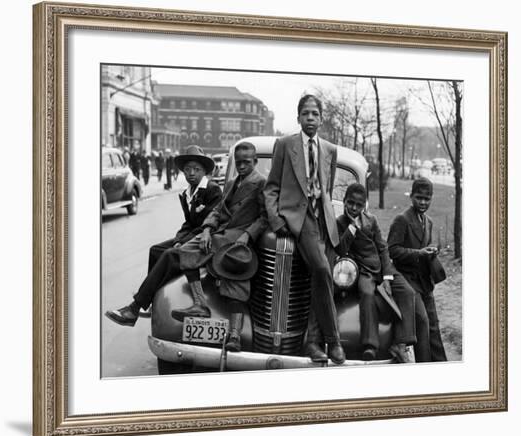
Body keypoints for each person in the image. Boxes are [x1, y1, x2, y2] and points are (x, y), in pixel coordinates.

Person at [106, 142, 267, 354]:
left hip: (237, 240)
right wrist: (208, 229)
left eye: (247, 162)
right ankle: (192, 304)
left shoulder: (261, 183)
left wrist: (247, 235)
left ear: (255, 162)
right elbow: (218, 211)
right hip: (219, 235)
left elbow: (265, 217)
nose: (242, 166)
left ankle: (135, 307)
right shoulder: (232, 183)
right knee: (179, 252)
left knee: (186, 258)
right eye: (239, 162)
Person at [263, 94, 345, 364]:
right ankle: (333, 342)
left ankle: (312, 342)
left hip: (325, 221)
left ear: (321, 118)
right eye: (306, 113)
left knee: (322, 278)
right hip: (300, 217)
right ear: (298, 117)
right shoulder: (285, 145)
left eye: (315, 114)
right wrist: (277, 221)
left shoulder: (330, 150)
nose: (310, 118)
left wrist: (329, 217)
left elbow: (328, 189)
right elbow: (272, 187)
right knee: (322, 270)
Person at [333, 183, 427, 362]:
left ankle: (401, 343)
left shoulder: (371, 220)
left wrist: (387, 275)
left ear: (364, 205)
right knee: (366, 294)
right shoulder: (340, 223)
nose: (354, 208)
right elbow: (341, 249)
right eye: (350, 203)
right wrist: (352, 228)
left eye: (358, 205)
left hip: (381, 268)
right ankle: (370, 344)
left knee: (407, 292)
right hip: (363, 270)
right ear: (344, 202)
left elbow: (383, 248)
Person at [388, 177, 447, 361]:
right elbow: (392, 250)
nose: (423, 202)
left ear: (431, 199)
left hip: (423, 281)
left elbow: (424, 248)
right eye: (419, 197)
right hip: (406, 280)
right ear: (411, 196)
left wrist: (431, 252)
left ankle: (442, 366)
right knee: (422, 320)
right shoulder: (402, 220)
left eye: (427, 198)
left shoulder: (428, 222)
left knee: (434, 325)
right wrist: (419, 253)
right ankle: (424, 365)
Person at [147, 145, 223, 272]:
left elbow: (207, 225)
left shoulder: (212, 189)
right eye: (187, 169)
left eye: (196, 169)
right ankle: (154, 289)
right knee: (155, 250)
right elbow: (189, 223)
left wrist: (181, 242)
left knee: (169, 254)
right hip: (189, 236)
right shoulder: (186, 194)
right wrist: (178, 239)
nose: (191, 173)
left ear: (204, 171)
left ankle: (148, 290)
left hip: (203, 239)